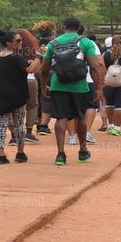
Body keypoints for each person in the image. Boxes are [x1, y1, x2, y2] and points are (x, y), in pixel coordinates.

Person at [39, 17, 104, 165]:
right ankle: (82, 151)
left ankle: (60, 154)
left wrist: (44, 86)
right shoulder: (86, 42)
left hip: (58, 85)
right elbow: (94, 66)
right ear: (79, 27)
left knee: (61, 118)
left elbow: (44, 69)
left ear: (63, 27)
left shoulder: (53, 43)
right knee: (80, 118)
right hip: (79, 86)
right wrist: (99, 88)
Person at [0, 31, 42, 164]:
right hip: (16, 95)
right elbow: (29, 70)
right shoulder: (16, 57)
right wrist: (40, 56)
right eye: (18, 41)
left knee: (1, 125)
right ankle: (20, 152)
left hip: (0, 95)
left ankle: (0, 155)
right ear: (9, 43)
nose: (20, 43)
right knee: (19, 124)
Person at [100, 34, 121, 137]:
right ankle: (117, 128)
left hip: (108, 80)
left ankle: (111, 125)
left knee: (109, 103)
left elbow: (100, 65)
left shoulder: (105, 54)